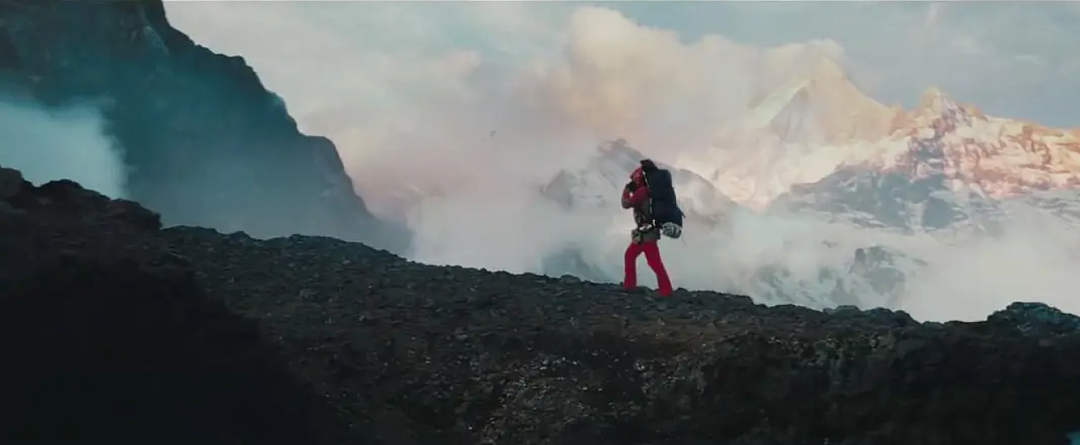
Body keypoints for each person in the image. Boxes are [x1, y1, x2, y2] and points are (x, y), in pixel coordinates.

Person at [620, 160, 673, 297]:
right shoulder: (649, 191)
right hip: (647, 232)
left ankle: (664, 290)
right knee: (635, 257)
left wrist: (627, 191)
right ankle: (631, 285)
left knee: (652, 261)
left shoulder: (642, 192)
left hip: (646, 233)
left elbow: (625, 204)